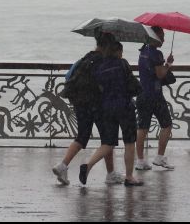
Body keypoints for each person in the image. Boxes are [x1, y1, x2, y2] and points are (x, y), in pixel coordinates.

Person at [52, 32, 125, 186]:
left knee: (82, 136)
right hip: (98, 104)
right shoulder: (105, 62)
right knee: (108, 139)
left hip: (80, 102)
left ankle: (62, 165)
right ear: (108, 46)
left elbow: (68, 76)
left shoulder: (84, 59)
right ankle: (111, 174)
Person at [78, 41, 143, 186]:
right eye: (121, 51)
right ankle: (129, 177)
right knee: (129, 141)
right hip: (125, 106)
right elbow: (132, 83)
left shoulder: (99, 67)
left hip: (106, 107)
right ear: (117, 52)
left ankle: (88, 166)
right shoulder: (123, 64)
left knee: (108, 142)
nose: (122, 54)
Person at [135, 26, 176, 171]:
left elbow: (152, 71)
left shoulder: (143, 52)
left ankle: (140, 161)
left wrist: (164, 65)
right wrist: (168, 64)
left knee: (142, 128)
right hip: (155, 95)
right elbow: (160, 74)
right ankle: (159, 157)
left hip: (142, 94)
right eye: (161, 36)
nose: (164, 39)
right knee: (167, 125)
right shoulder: (156, 54)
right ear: (154, 37)